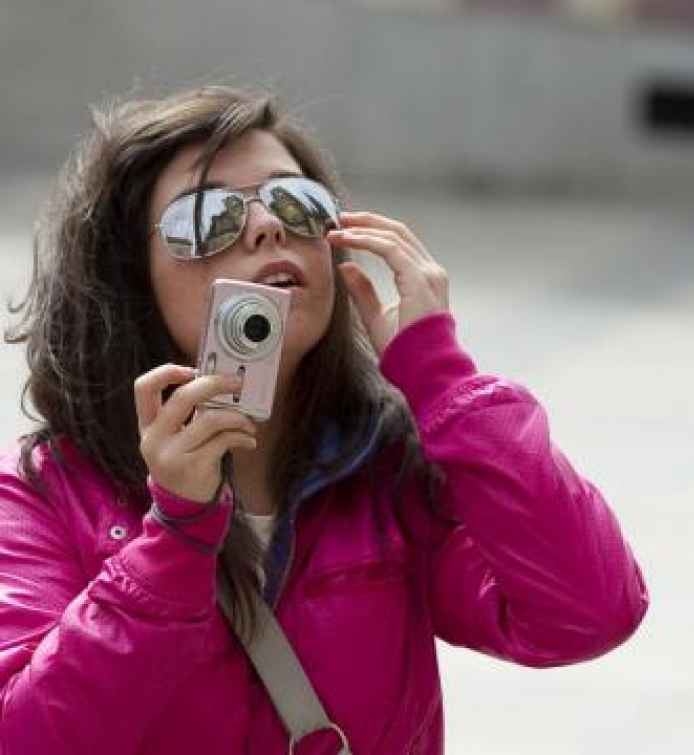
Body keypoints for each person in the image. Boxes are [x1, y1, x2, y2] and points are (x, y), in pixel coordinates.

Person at [0, 86, 649, 753]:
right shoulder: (43, 494)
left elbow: (590, 612)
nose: (267, 228)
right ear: (128, 275)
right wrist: (174, 538)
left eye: (296, 202)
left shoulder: (386, 472)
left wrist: (442, 379)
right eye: (208, 218)